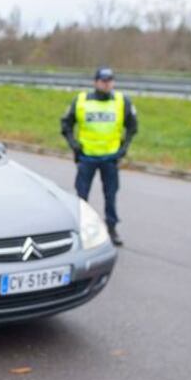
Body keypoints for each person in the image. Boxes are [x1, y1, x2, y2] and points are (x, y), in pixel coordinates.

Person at [60, 66, 138, 246]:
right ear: (95, 82)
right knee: (82, 196)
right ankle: (80, 229)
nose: (107, 84)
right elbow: (66, 124)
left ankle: (111, 228)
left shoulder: (122, 101)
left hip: (110, 158)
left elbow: (132, 127)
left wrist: (124, 148)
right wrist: (74, 145)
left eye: (110, 80)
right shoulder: (81, 100)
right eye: (103, 81)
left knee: (110, 195)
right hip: (87, 157)